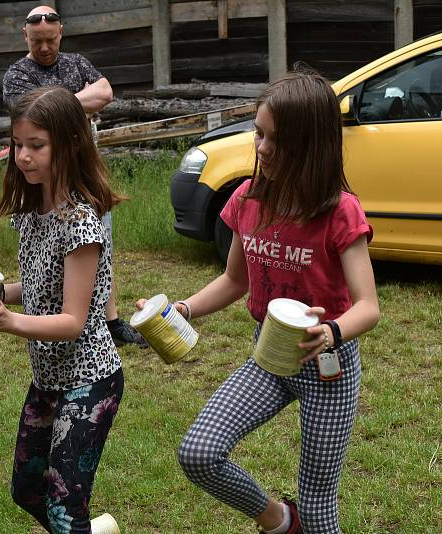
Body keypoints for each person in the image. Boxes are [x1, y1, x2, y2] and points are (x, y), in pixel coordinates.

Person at [144, 70, 380, 533]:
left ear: (312, 145)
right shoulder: (248, 199)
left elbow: (368, 306)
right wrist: (183, 309)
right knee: (199, 452)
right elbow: (234, 280)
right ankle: (278, 521)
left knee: (317, 501)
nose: (262, 147)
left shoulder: (340, 211)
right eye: (258, 132)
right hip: (268, 356)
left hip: (327, 365)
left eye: (278, 139)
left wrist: (331, 331)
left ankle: (304, 520)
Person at [0, 86, 124, 533]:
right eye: (18, 145)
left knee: (65, 509)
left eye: (36, 146)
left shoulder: (82, 223)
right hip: (48, 380)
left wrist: (9, 321)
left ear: (70, 143)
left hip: (90, 381)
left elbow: (72, 321)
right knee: (26, 489)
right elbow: (41, 285)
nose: (22, 156)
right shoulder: (32, 212)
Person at [2, 5, 146, 348]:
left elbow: (106, 92)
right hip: (42, 182)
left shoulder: (76, 62)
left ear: (61, 33)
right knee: (50, 255)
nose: (45, 47)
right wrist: (75, 104)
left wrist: (58, 106)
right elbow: (31, 115)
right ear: (26, 36)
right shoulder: (17, 74)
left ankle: (108, 321)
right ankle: (66, 312)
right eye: (37, 41)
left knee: (97, 247)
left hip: (79, 174)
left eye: (51, 40)